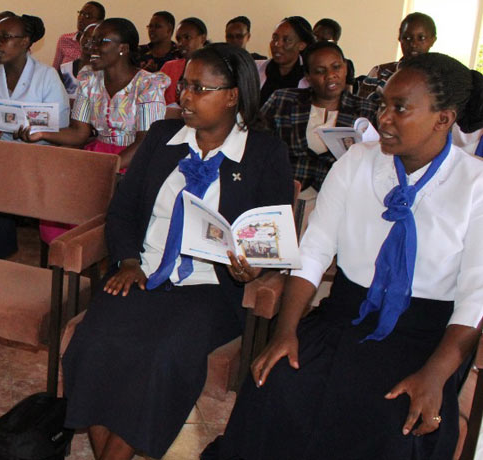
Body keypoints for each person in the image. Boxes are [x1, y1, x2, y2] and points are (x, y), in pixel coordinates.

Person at [206, 52, 483, 460]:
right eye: (383, 105)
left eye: (400, 109)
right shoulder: (358, 162)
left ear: (443, 119)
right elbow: (314, 250)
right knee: (276, 385)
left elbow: (475, 297)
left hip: (424, 338)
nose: (383, 119)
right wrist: (285, 332)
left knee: (396, 427)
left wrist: (435, 376)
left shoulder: (475, 185)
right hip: (344, 319)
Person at [61, 42, 294, 460]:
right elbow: (122, 211)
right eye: (183, 85)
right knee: (89, 345)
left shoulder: (263, 154)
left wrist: (252, 269)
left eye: (199, 89)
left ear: (232, 96)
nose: (183, 96)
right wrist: (129, 261)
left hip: (209, 290)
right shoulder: (162, 138)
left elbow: (269, 238)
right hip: (142, 274)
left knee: (159, 359)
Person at [24, 18, 168, 244]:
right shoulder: (89, 80)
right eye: (91, 41)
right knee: (58, 193)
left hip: (135, 160)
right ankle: (70, 254)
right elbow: (79, 132)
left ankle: (101, 249)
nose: (91, 47)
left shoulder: (148, 85)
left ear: (123, 48)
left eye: (101, 41)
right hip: (98, 154)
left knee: (97, 197)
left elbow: (146, 141)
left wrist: (107, 168)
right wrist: (42, 133)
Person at [0, 13, 69, 258]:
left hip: (34, 151)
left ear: (25, 42)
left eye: (5, 38)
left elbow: (61, 122)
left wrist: (34, 131)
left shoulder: (46, 75)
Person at [259, 41, 378, 190]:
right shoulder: (283, 101)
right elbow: (256, 144)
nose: (330, 76)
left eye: (336, 67)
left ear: (346, 68)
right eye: (320, 71)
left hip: (338, 194)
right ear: (308, 76)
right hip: (285, 191)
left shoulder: (366, 111)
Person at [358, 12, 436, 100]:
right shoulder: (380, 73)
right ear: (399, 38)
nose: (413, 44)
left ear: (433, 40)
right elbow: (361, 106)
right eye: (407, 38)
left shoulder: (439, 78)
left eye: (421, 38)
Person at [257, 16, 314, 105]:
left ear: (301, 45)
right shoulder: (257, 68)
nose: (277, 44)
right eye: (275, 38)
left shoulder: (309, 78)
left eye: (286, 40)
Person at [159, 17, 209, 105]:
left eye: (187, 37)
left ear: (203, 38)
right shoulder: (169, 67)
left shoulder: (212, 69)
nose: (181, 43)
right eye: (178, 39)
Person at [52, 2, 104, 68]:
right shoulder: (65, 39)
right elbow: (55, 70)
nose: (81, 18)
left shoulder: (103, 45)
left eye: (88, 16)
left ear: (100, 22)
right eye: (81, 13)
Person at [312, 18, 356, 89]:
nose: (316, 42)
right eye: (315, 36)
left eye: (324, 40)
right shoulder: (299, 58)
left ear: (335, 43)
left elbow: (347, 94)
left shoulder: (344, 65)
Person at [58, 23, 97, 100]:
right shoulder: (64, 70)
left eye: (93, 38)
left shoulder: (104, 73)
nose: (88, 40)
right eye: (85, 35)